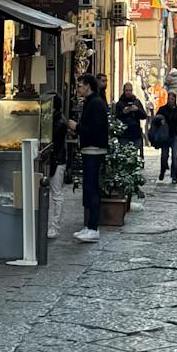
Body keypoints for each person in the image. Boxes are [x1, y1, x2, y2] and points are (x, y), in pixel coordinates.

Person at [75, 72, 110, 243]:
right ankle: (89, 226)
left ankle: (93, 227)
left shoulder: (95, 104)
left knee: (92, 188)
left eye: (80, 85)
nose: (78, 89)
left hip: (94, 150)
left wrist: (77, 127)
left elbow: (94, 129)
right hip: (90, 150)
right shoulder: (92, 102)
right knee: (89, 188)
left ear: (88, 85)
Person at [153, 91, 177, 182]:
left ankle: (174, 177)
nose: (170, 100)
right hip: (165, 136)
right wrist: (160, 121)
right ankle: (163, 170)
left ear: (175, 99)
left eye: (172, 99)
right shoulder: (162, 109)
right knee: (164, 156)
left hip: (175, 135)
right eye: (169, 99)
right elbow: (155, 120)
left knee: (175, 157)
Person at [47, 96, 67, 239]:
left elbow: (51, 138)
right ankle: (51, 225)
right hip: (55, 159)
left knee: (56, 194)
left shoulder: (58, 123)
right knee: (54, 194)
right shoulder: (56, 120)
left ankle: (54, 226)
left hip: (57, 160)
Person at [114, 82, 147, 146]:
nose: (128, 92)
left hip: (135, 134)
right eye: (127, 90)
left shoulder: (136, 102)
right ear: (124, 91)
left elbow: (144, 116)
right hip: (124, 134)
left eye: (130, 90)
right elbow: (116, 118)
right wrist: (124, 112)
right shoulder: (120, 103)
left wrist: (137, 110)